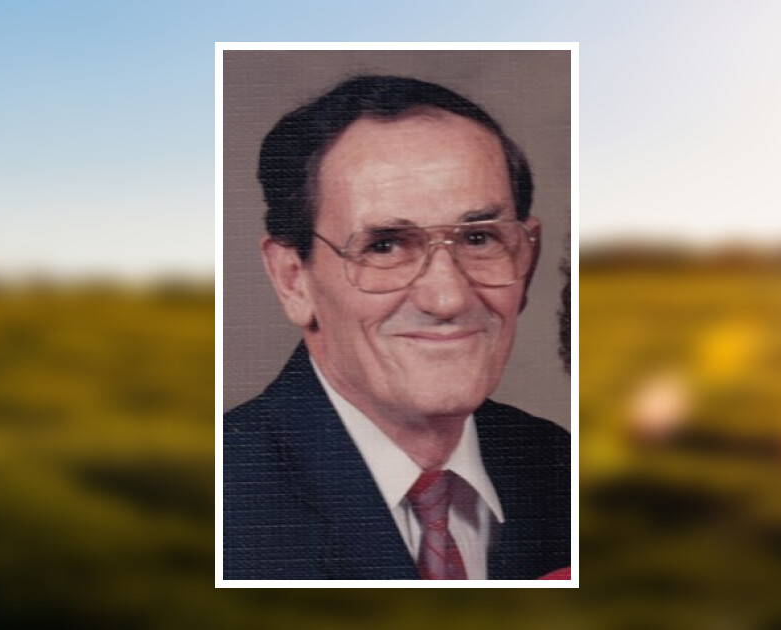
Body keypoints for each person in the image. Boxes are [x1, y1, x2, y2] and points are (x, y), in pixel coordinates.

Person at [222, 75, 570, 580]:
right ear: (293, 279)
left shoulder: (565, 471)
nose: (448, 298)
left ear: (528, 259)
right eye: (384, 246)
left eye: (478, 239)